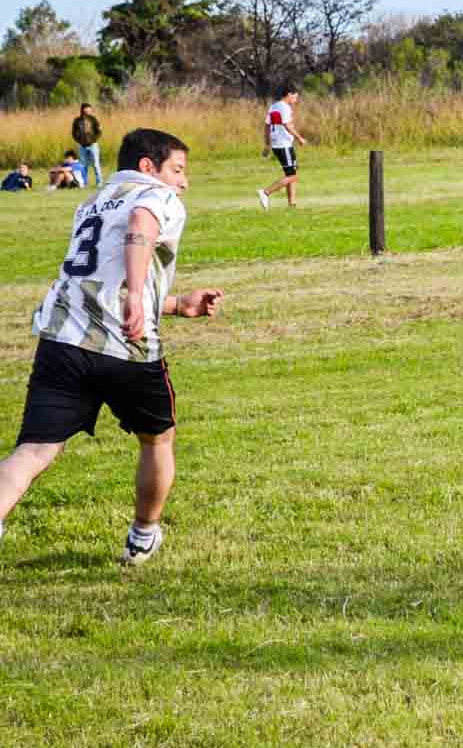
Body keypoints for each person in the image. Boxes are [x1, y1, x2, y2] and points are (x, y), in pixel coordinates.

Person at [0, 128, 224, 565]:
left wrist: (176, 304)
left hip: (63, 338)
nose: (183, 182)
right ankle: (143, 535)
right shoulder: (156, 197)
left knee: (34, 451)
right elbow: (141, 227)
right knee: (157, 440)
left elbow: (102, 277)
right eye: (177, 170)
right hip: (126, 346)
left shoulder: (93, 202)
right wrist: (139, 296)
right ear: (148, 167)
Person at [257, 84, 306, 210]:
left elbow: (267, 126)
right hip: (284, 145)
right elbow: (287, 126)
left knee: (291, 173)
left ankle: (292, 205)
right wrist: (299, 138)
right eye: (295, 97)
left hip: (278, 145)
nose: (296, 100)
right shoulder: (285, 108)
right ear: (289, 94)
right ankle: (265, 192)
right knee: (292, 176)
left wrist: (267, 145)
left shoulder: (274, 106)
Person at [70, 103, 103, 185]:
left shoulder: (94, 119)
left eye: (89, 109)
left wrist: (94, 140)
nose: (88, 110)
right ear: (82, 109)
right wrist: (79, 141)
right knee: (83, 165)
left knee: (96, 164)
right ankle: (84, 182)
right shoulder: (77, 120)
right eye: (87, 109)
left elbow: (99, 131)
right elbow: (74, 133)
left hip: (93, 145)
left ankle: (99, 182)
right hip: (82, 146)